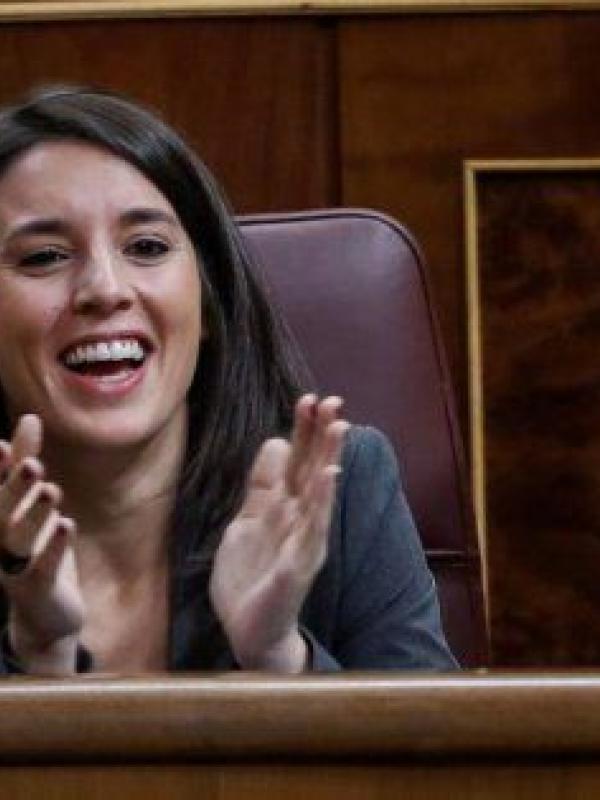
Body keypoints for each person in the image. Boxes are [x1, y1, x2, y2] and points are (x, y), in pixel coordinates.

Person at [0, 86, 457, 674]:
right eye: (43, 256)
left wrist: (277, 654)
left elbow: (430, 734)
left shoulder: (343, 490)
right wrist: (37, 655)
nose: (105, 290)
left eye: (146, 246)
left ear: (209, 301)